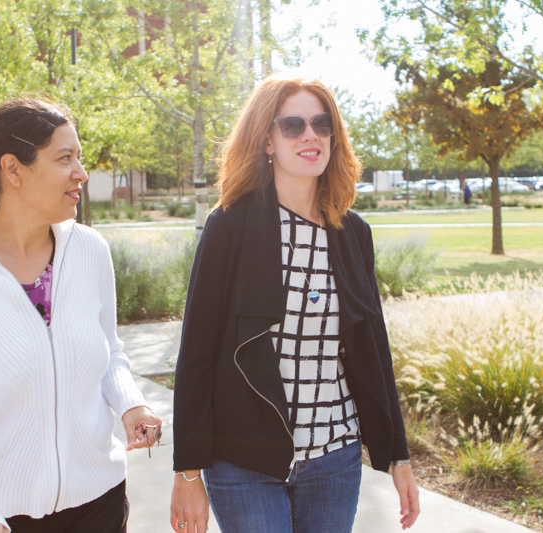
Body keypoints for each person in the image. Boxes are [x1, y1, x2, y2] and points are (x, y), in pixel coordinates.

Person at [170, 75, 420, 533]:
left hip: (335, 459)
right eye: (293, 125)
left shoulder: (352, 233)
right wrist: (187, 471)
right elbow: (197, 354)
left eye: (322, 124)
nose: (311, 135)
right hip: (244, 462)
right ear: (267, 139)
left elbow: (372, 349)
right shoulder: (229, 225)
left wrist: (397, 455)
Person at [0, 98, 162, 533]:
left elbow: (110, 353)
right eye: (65, 158)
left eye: (79, 158)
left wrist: (131, 405)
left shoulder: (89, 249)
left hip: (98, 503)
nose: (80, 173)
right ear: (13, 170)